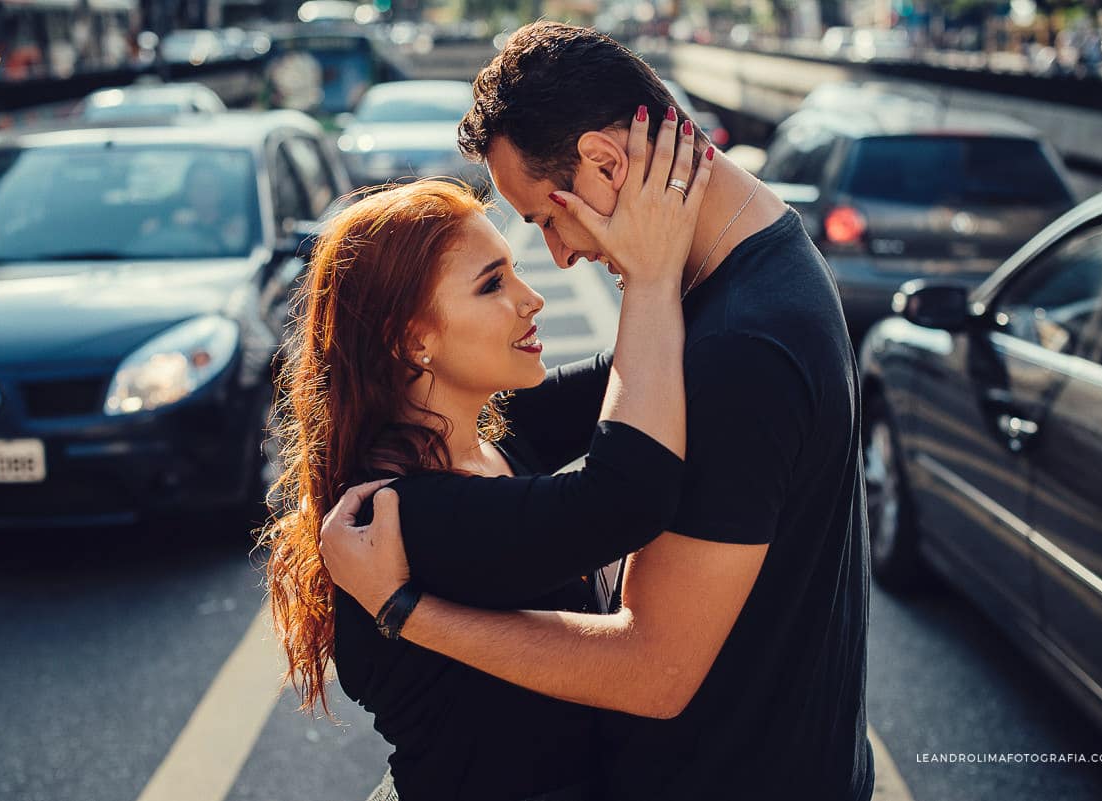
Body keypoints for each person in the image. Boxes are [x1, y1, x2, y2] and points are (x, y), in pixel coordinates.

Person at [320, 21, 874, 801]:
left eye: (546, 219)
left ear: (606, 163)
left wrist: (407, 609)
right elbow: (612, 460)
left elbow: (654, 662)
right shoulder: (767, 272)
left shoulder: (738, 344)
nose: (560, 258)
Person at [262, 107, 713, 801]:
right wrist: (650, 279)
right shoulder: (403, 514)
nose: (532, 298)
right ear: (411, 339)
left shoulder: (485, 440)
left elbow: (638, 367)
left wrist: (643, 236)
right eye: (492, 283)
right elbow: (629, 493)